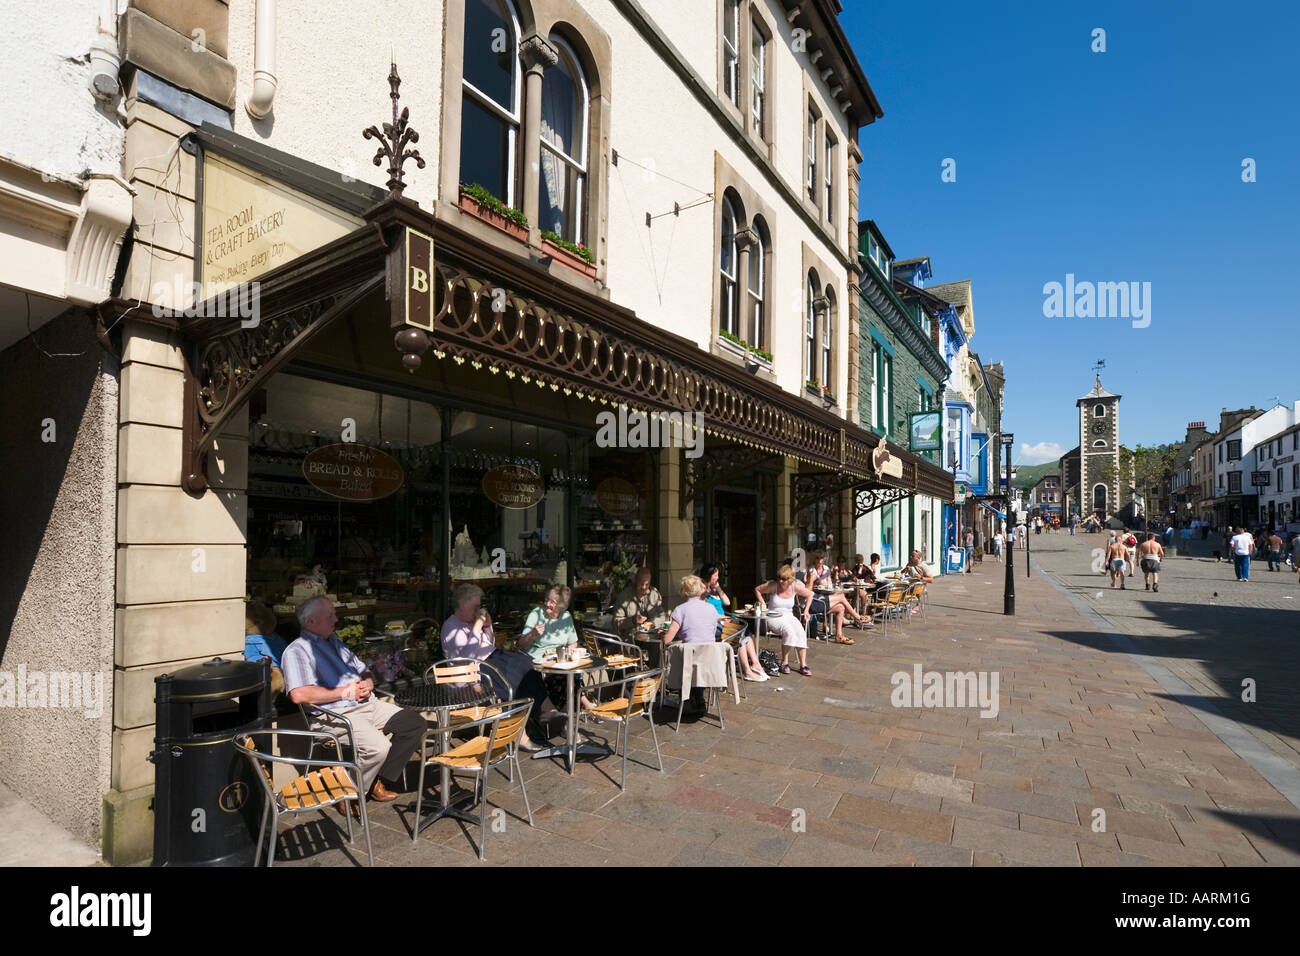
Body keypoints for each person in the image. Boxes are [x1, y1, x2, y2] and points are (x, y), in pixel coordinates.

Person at [283, 597, 427, 806]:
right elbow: (299, 694)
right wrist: (344, 693)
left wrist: (368, 681)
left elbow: (363, 669)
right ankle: (350, 793)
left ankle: (375, 778)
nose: (336, 619)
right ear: (311, 622)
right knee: (378, 748)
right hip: (335, 715)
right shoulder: (297, 651)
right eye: (330, 615)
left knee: (414, 724)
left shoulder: (334, 641)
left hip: (367, 704)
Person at [440, 583, 552, 750]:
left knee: (528, 666)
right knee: (511, 685)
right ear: (462, 604)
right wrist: (478, 626)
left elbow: (489, 643)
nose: (479, 610)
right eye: (476, 606)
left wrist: (486, 626)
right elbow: (467, 658)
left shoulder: (470, 620)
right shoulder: (451, 627)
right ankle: (520, 735)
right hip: (473, 671)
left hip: (492, 658)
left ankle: (548, 711)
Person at [663, 574, 725, 711]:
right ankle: (698, 698)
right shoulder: (711, 609)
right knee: (697, 655)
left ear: (683, 592)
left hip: (689, 662)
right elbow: (711, 634)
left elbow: (668, 639)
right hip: (710, 661)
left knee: (679, 653)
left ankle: (687, 697)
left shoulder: (680, 610)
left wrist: (663, 635)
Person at [698, 564, 766, 682]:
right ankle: (747, 671)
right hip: (714, 623)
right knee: (739, 635)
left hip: (724, 621)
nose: (718, 577)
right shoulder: (701, 591)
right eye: (716, 575)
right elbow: (705, 612)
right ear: (709, 576)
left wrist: (718, 588)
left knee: (746, 632)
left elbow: (727, 602)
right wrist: (724, 617)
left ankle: (756, 664)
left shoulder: (714, 589)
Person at [755, 565, 816, 676]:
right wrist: (763, 604)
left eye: (784, 579)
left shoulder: (794, 587)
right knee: (789, 631)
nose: (781, 580)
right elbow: (758, 590)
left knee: (800, 632)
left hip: (788, 615)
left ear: (790, 580)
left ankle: (803, 664)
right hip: (773, 615)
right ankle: (785, 662)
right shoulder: (773, 586)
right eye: (779, 577)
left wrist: (806, 610)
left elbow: (810, 594)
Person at [802, 552, 869, 643]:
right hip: (813, 602)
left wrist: (817, 581)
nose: (819, 560)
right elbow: (807, 592)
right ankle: (857, 617)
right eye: (817, 558)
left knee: (841, 607)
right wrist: (811, 579)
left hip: (819, 597)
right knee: (841, 596)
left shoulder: (822, 569)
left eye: (821, 558)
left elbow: (828, 582)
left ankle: (839, 636)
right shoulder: (809, 571)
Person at [612, 568, 665, 637]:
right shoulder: (624, 596)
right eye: (641, 584)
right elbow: (615, 623)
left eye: (647, 584)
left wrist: (652, 623)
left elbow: (662, 616)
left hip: (652, 638)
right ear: (636, 581)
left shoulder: (654, 594)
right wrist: (632, 621)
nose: (643, 587)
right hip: (631, 641)